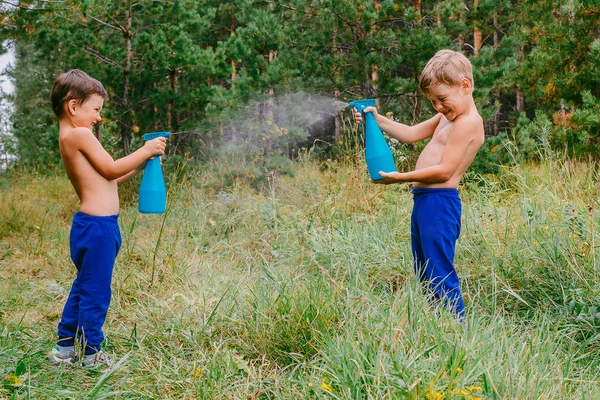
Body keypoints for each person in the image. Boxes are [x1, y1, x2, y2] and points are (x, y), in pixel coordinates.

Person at [48, 69, 167, 367]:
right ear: (74, 106)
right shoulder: (78, 134)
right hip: (98, 229)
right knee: (96, 291)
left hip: (95, 227)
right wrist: (145, 149)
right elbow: (112, 168)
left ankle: (65, 347)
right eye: (96, 109)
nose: (98, 117)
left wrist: (141, 162)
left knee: (84, 286)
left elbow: (111, 178)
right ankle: (91, 353)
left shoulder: (70, 136)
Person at [355, 50, 484, 318]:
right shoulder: (447, 118)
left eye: (442, 99)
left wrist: (400, 177)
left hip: (440, 202)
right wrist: (377, 119)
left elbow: (446, 171)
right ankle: (437, 323)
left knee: (439, 267)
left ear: (465, 86)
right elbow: (411, 135)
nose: (438, 106)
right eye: (433, 101)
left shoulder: (468, 123)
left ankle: (456, 327)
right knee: (424, 269)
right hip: (424, 201)